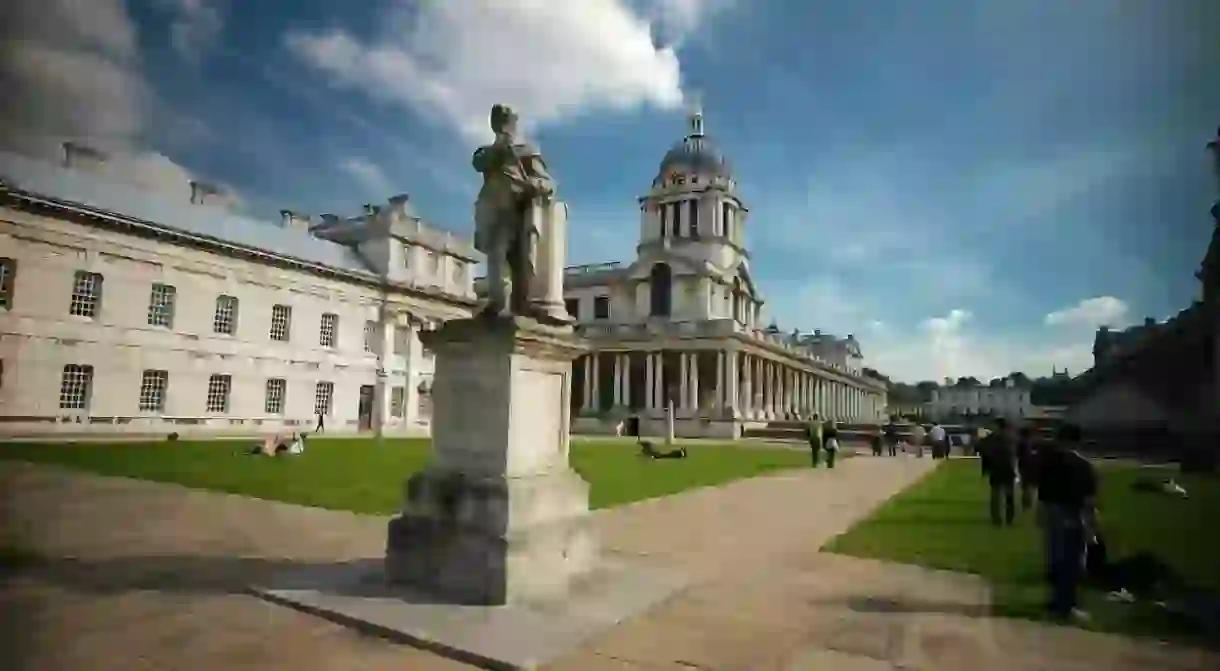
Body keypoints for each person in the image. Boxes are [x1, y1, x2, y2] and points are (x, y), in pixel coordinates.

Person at [1036, 423, 1098, 622]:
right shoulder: (1084, 466)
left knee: (1055, 557)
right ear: (1076, 441)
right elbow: (1089, 500)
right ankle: (1067, 605)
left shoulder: (1048, 462)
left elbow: (1042, 492)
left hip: (1052, 511)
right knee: (1072, 561)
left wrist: (1040, 513)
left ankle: (1055, 601)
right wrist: (1091, 526)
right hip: (1073, 513)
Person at [979, 418, 1017, 526]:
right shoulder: (1011, 437)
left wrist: (986, 467)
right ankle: (1009, 518)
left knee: (996, 496)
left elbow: (983, 450)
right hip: (1008, 469)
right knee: (1009, 496)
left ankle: (997, 519)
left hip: (996, 469)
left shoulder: (992, 438)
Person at [1016, 426, 1037, 510]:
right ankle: (1029, 502)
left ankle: (1026, 503)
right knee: (1029, 484)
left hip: (1024, 465)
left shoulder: (1022, 442)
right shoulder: (1031, 442)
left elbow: (1018, 454)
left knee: (1025, 485)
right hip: (1031, 465)